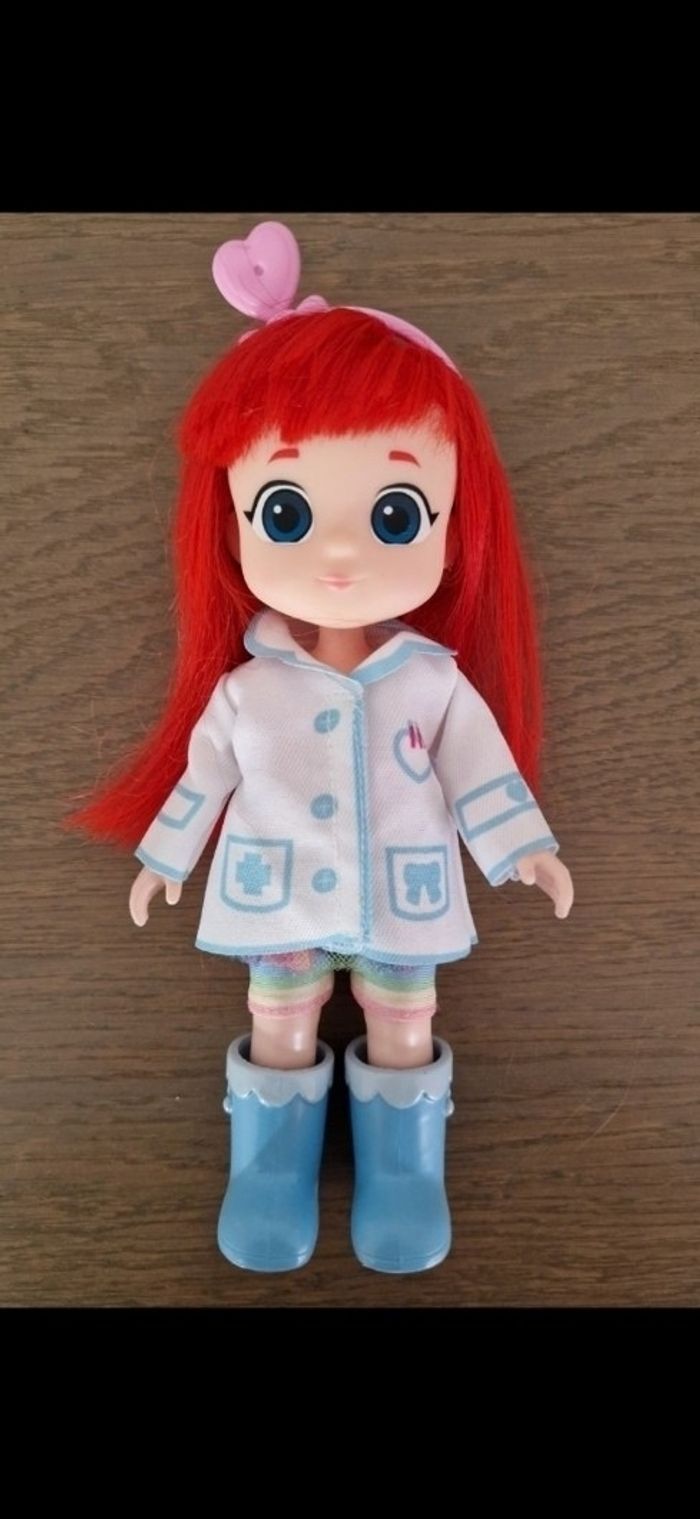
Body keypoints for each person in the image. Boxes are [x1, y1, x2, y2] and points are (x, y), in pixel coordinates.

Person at [70, 222, 574, 1275]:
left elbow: (477, 765)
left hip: (402, 890)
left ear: (453, 524)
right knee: (280, 1017)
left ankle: (406, 1171)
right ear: (233, 522)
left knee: (404, 1019)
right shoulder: (246, 689)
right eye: (287, 511)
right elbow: (205, 773)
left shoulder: (432, 680)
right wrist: (165, 857)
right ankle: (267, 1168)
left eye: (394, 513)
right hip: (279, 890)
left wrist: (522, 847)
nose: (339, 551)